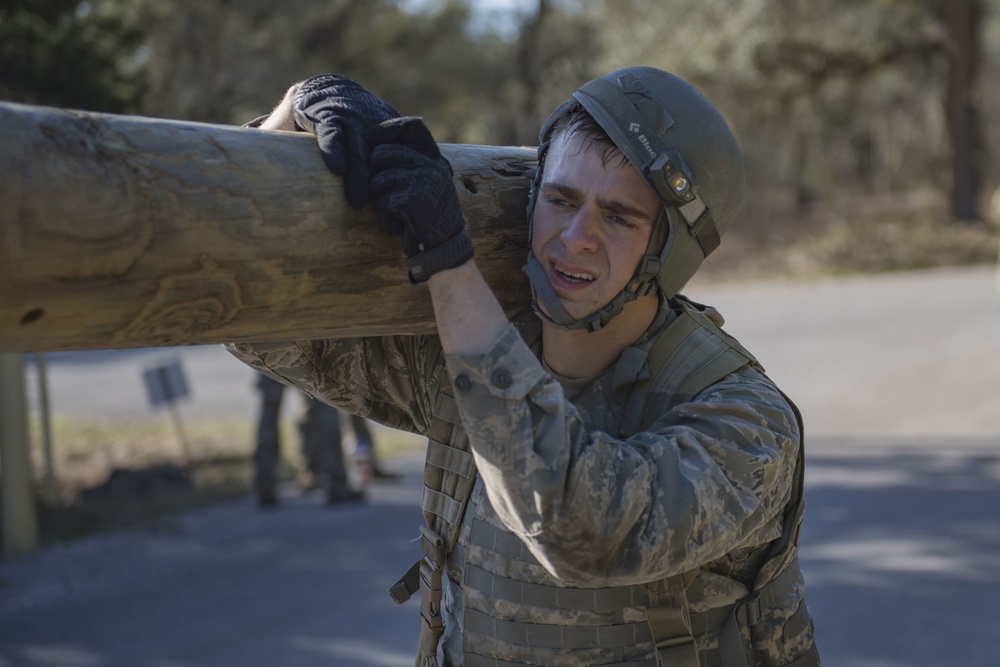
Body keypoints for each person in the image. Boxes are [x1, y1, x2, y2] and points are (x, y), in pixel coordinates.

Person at [229, 67, 820, 666]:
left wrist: (447, 262)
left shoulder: (749, 425)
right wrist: (295, 111)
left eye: (619, 217)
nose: (576, 236)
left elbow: (579, 527)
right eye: (560, 199)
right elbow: (260, 326)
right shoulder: (461, 354)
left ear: (671, 251)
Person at [253, 372, 366, 506]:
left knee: (269, 415)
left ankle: (266, 484)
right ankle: (334, 482)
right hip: (307, 355)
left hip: (268, 353)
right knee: (323, 407)